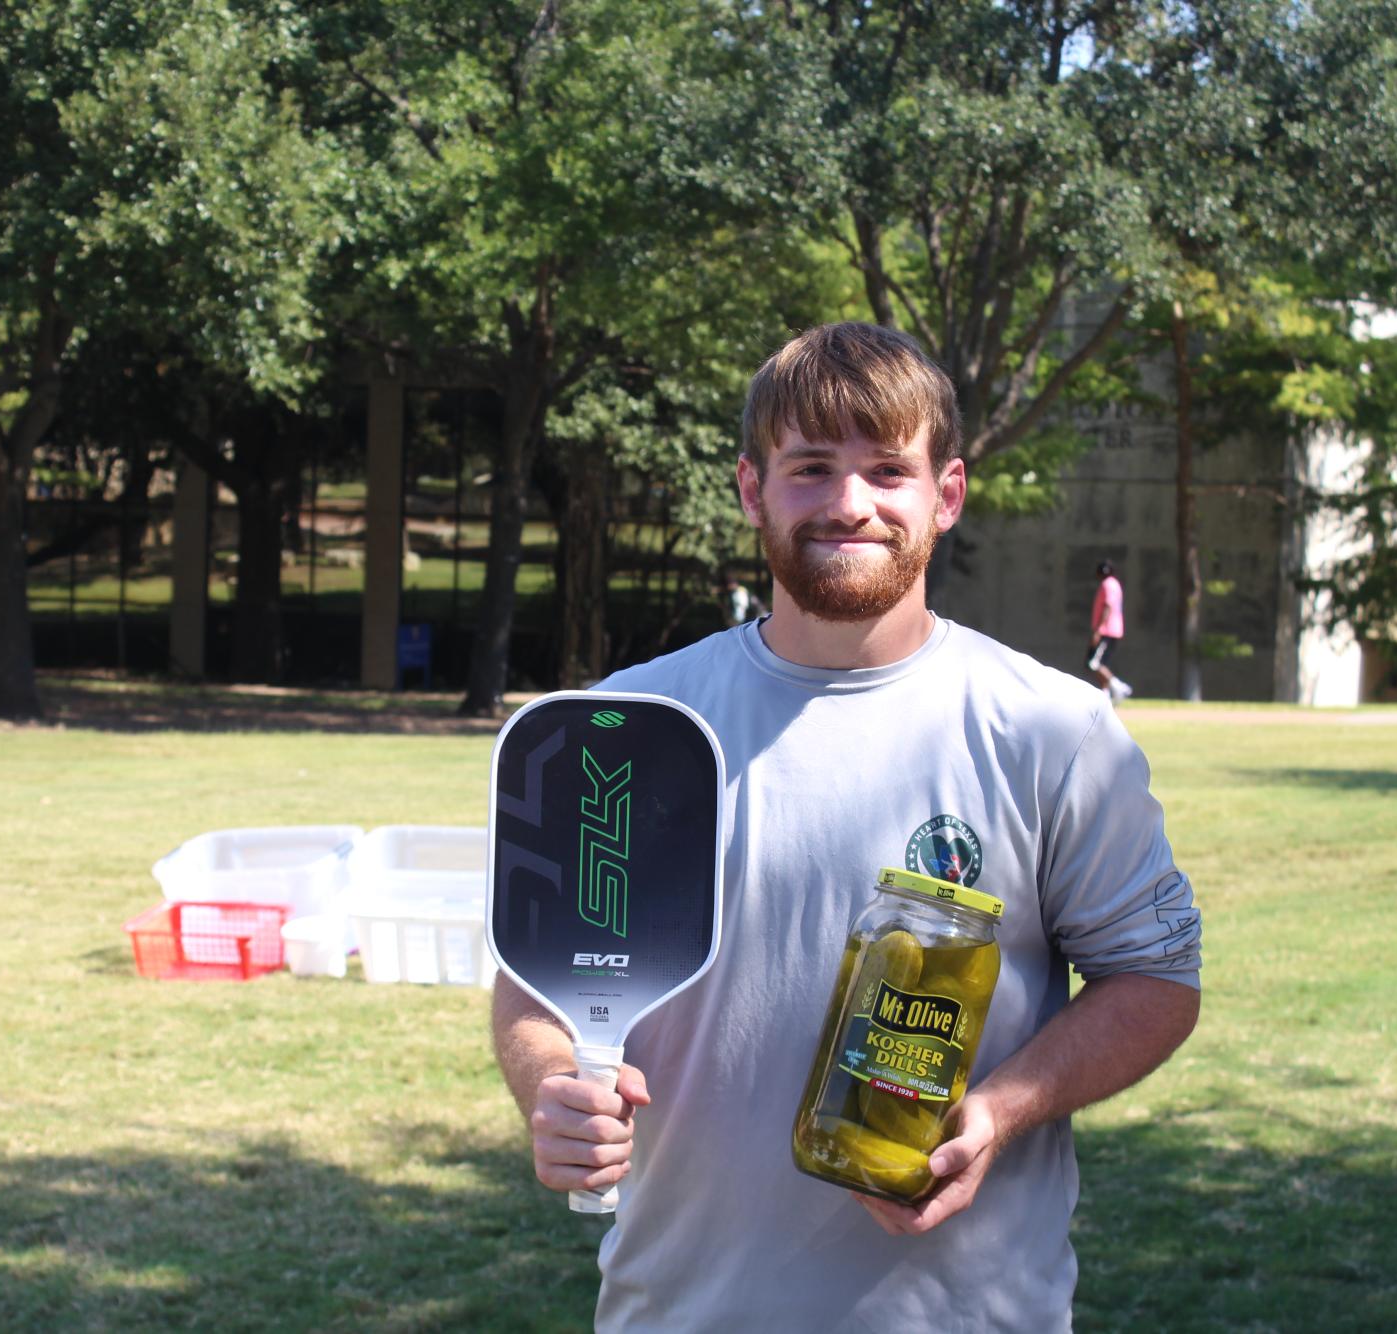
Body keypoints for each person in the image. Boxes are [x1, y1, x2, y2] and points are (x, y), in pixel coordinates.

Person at [491, 322, 1202, 1331]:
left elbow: (1157, 979)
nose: (849, 503)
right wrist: (554, 1082)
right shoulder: (629, 728)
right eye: (811, 467)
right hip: (680, 1310)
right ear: (751, 488)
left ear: (946, 493)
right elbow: (534, 982)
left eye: (887, 468)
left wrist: (999, 1110)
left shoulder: (1055, 730)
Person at [1088, 559, 1133, 705]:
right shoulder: (1115, 584)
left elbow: (1107, 607)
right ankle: (1105, 696)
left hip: (1106, 630)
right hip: (1114, 629)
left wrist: (1098, 630)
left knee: (1094, 662)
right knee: (1102, 664)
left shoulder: (1107, 584)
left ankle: (1119, 687)